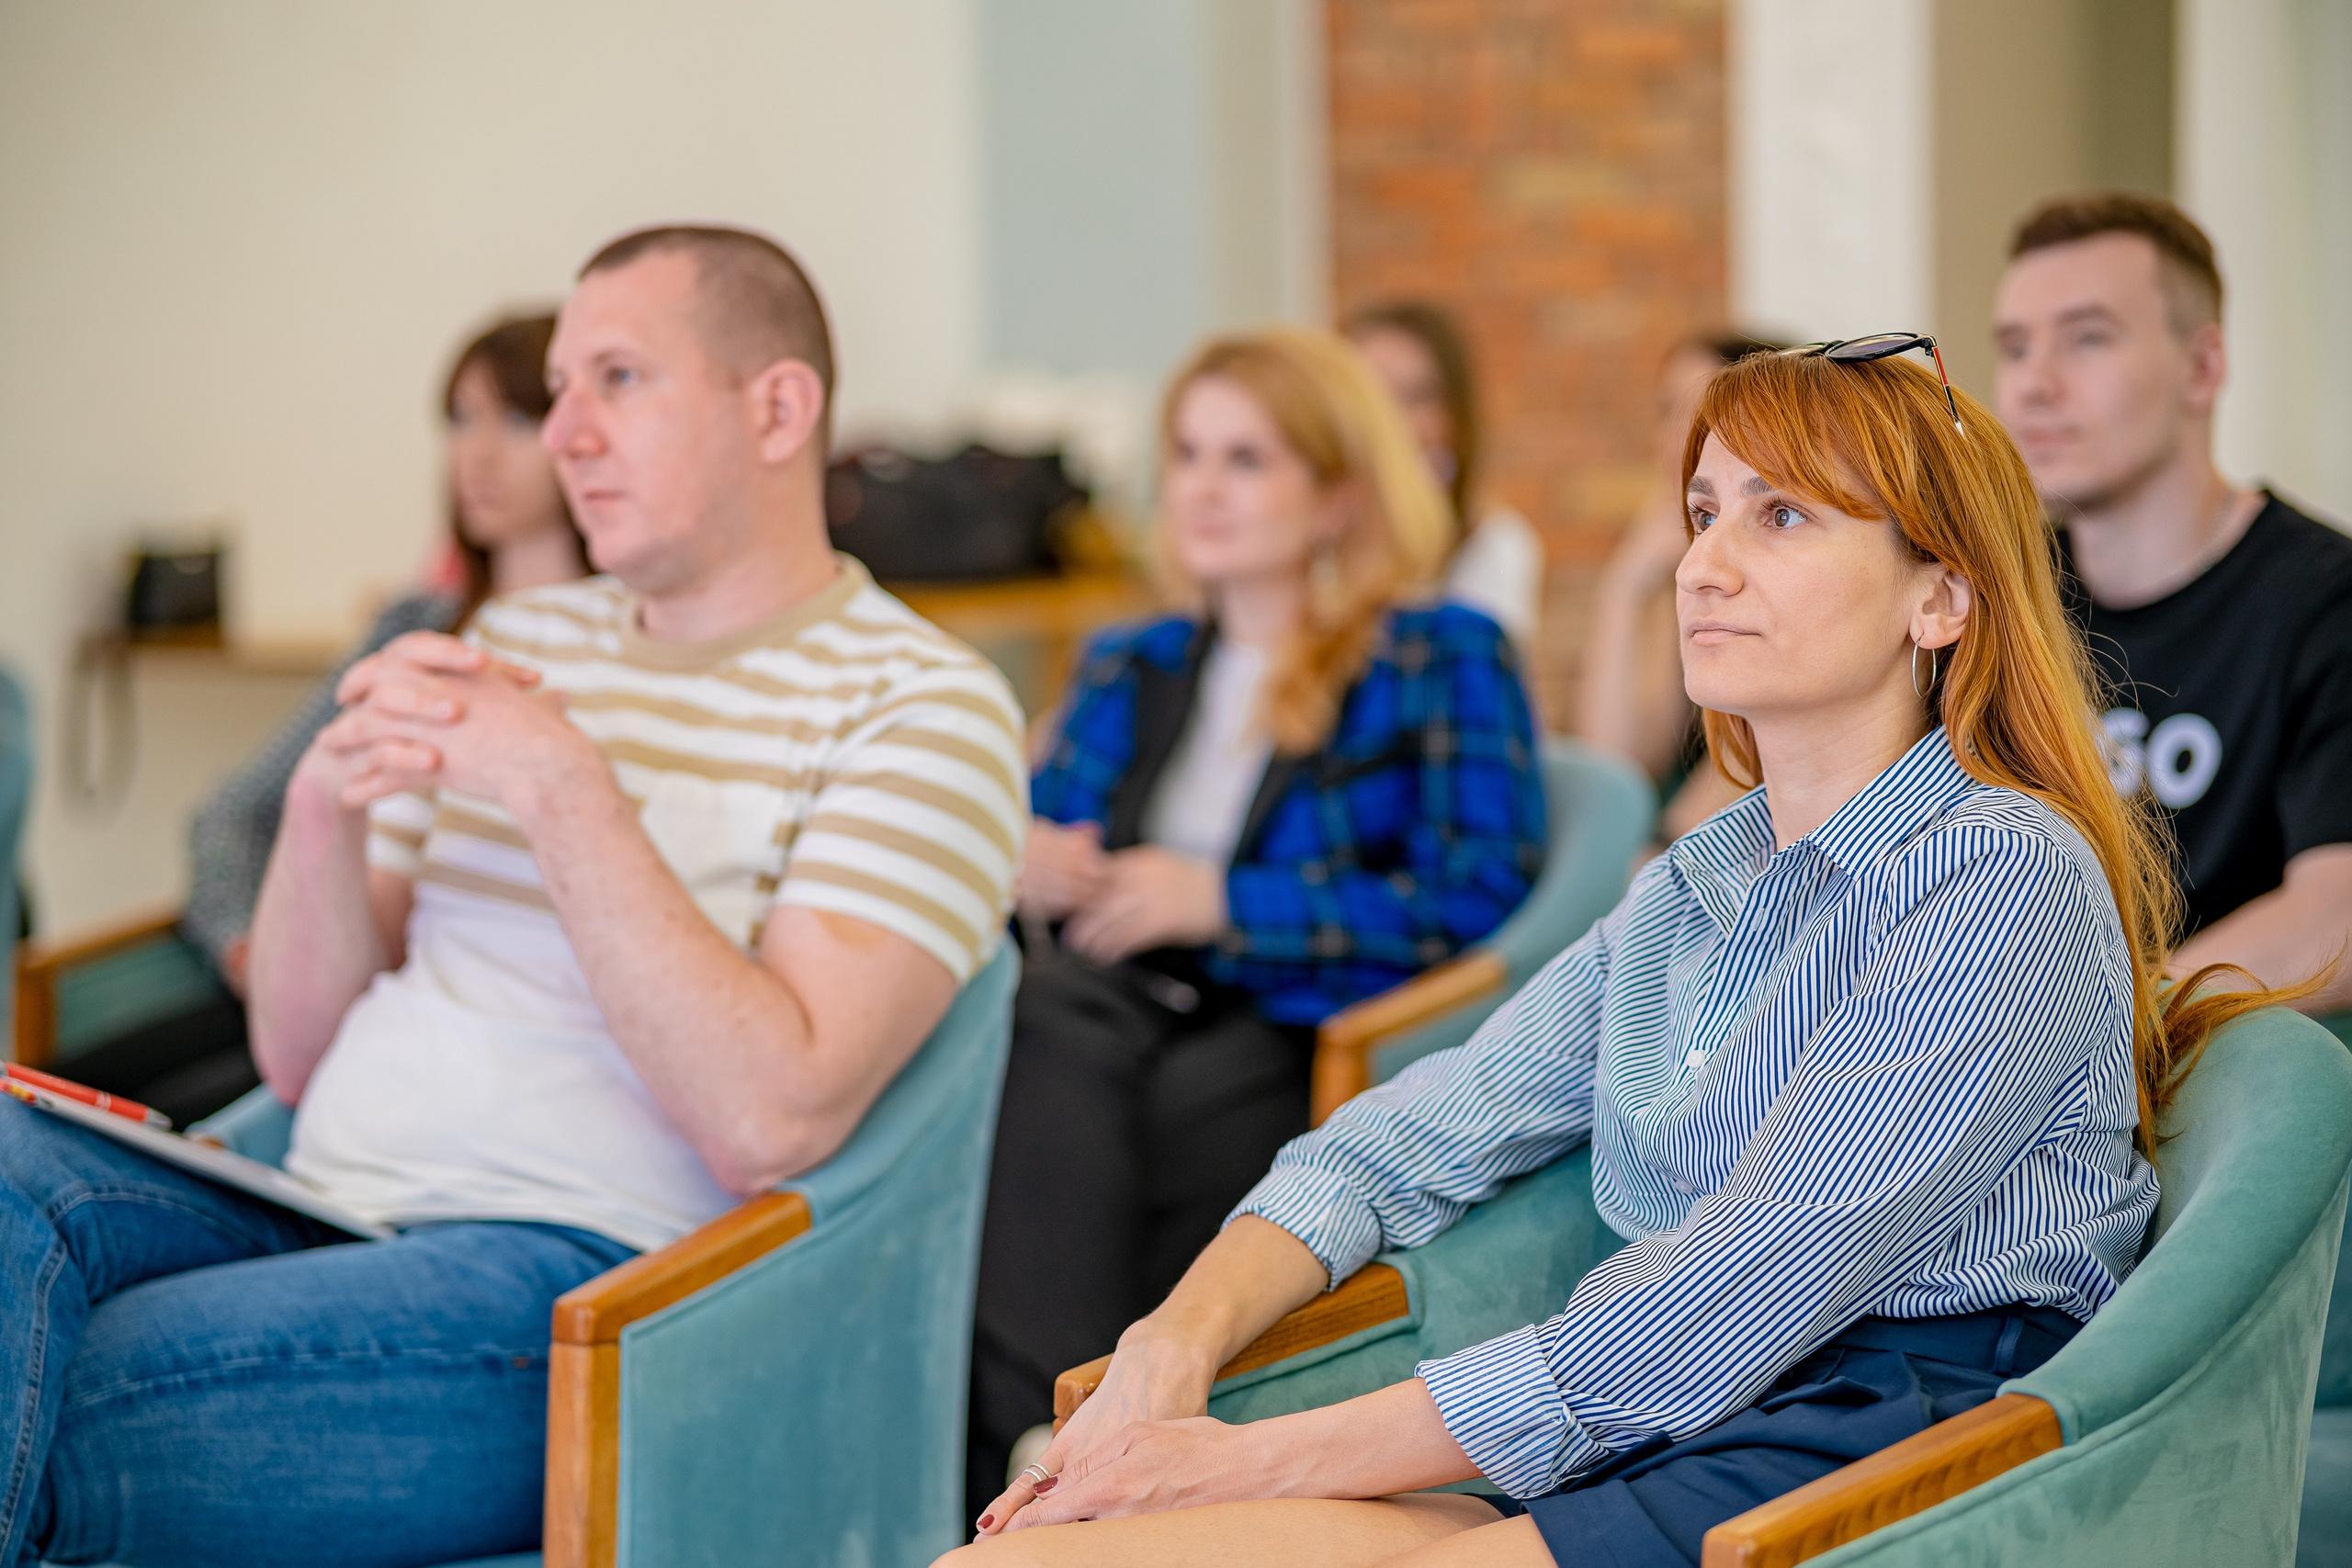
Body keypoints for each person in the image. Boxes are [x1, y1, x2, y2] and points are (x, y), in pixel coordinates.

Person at [946, 343, 2290, 1566]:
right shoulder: (1696, 883)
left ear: (1940, 597)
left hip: (1896, 1434)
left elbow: (1727, 1292)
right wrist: (1163, 1353)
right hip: (1681, 1412)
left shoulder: (2000, 872)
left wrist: (1242, 1458)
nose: (1703, 563)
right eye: (1705, 510)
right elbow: (1404, 1135)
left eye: (1783, 516)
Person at [0, 225, 1026, 1566]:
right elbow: (300, 1050)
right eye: (564, 387)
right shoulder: (521, 637)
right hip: (307, 1196)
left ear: (778, 408)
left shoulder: (921, 706)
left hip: (585, 1285)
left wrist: (566, 792)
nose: (566, 437)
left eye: (619, 380)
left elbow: (772, 1110)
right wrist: (322, 807)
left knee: (58, 1400)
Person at [967, 327, 1549, 1516]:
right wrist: (1024, 857)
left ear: (1337, 489)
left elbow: (1474, 887)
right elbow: (1043, 831)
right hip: (1102, 998)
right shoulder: (1135, 660)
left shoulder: (1439, 652)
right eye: (1187, 453)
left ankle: (1052, 1456)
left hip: (1283, 1013)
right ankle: (1065, 1452)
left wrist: (1224, 898)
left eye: (1247, 457)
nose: (1202, 487)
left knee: (1078, 1112)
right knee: (1029, 1029)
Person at [65, 314, 590, 1130]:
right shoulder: (411, 628)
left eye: (516, 420)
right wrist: (255, 954)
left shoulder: (622, 652)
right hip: (305, 986)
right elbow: (234, 812)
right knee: (47, 1102)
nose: (475, 456)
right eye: (459, 419)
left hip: (429, 1028)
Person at [1993, 191, 2352, 1016]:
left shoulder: (2324, 600)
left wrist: (2080, 1031)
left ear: (2202, 367)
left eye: (2087, 338)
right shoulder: (1990, 591)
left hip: (2216, 1090)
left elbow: (2337, 915)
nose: (2034, 386)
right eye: (2014, 348)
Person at [1577, 333, 1781, 841]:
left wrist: (1647, 865)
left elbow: (1704, 813)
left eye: (1704, 410)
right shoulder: (1678, 557)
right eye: (1669, 411)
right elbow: (1614, 768)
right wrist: (1622, 588)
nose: (1680, 437)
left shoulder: (1766, 575)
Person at [1345, 301, 1546, 653]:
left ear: (1454, 417)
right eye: (1370, 395)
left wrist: (1416, 522)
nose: (1392, 419)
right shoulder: (1307, 543)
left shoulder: (1498, 545)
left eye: (1418, 397)